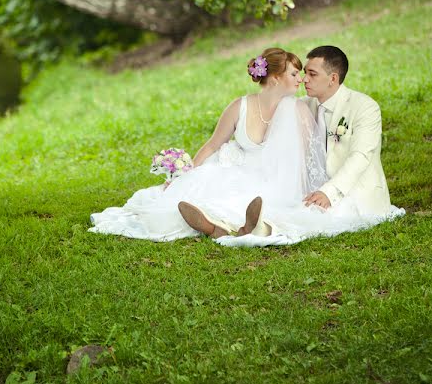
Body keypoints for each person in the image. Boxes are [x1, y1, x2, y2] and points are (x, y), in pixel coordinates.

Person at [89, 47, 329, 242]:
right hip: (238, 173)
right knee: (204, 192)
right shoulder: (240, 106)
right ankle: (218, 225)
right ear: (275, 79)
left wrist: (313, 191)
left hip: (274, 180)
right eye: (294, 74)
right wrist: (183, 174)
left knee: (260, 201)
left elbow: (309, 157)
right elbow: (213, 145)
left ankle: (238, 225)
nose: (301, 79)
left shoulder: (298, 110)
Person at [215, 45, 404, 247]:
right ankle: (232, 224)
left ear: (332, 79)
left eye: (312, 74)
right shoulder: (301, 106)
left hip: (352, 191)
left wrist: (328, 192)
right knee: (289, 204)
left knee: (317, 216)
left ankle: (264, 228)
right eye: (304, 73)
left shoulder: (364, 107)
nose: (304, 79)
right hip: (314, 189)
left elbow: (360, 158)